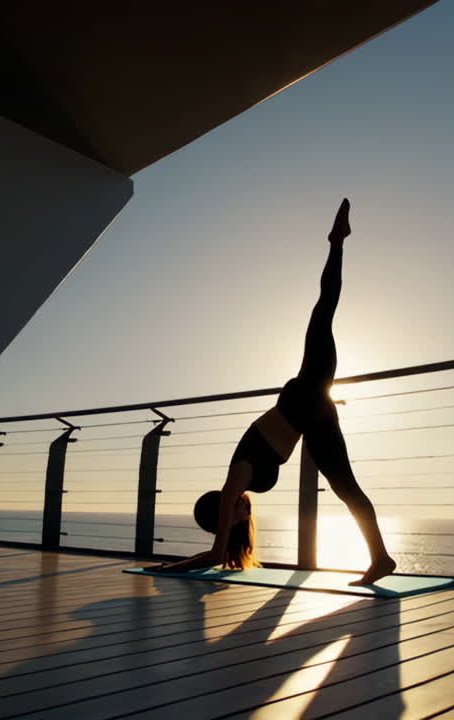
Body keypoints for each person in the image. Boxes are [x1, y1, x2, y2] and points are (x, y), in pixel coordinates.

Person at [148, 198, 397, 585]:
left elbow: (215, 555)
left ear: (222, 510)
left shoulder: (235, 482)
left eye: (228, 518)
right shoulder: (242, 490)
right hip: (314, 417)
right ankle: (380, 559)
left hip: (304, 399)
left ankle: (337, 242)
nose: (239, 518)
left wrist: (166, 569)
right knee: (347, 489)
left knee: (323, 312)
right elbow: (219, 555)